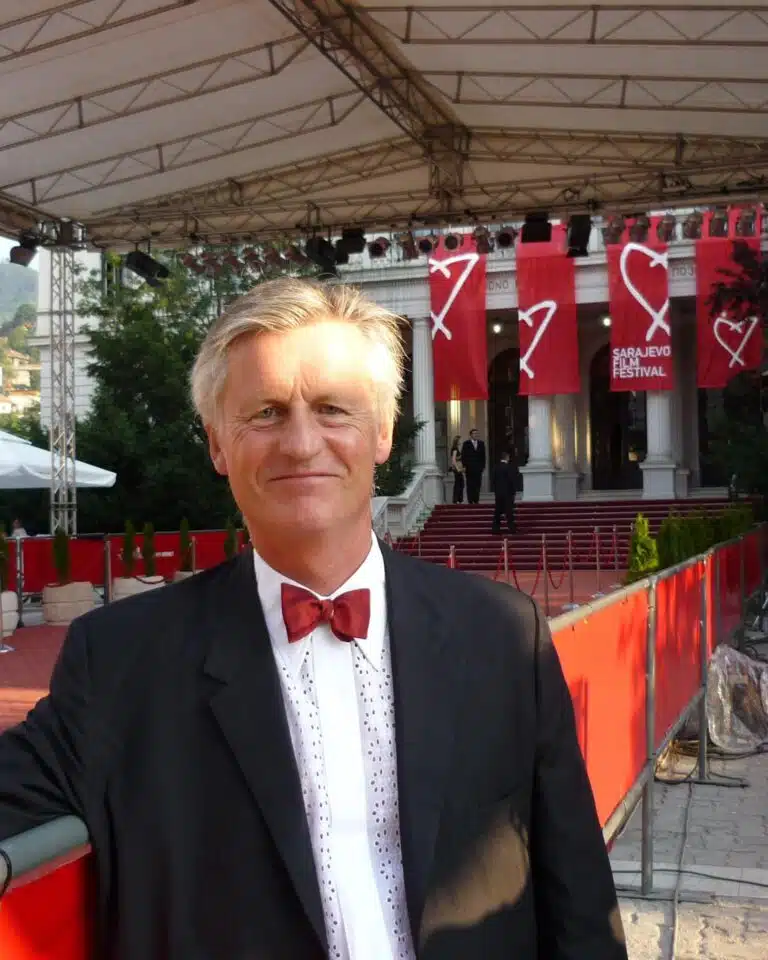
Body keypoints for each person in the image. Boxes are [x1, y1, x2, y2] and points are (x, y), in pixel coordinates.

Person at [0, 278, 627, 960]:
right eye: (265, 413)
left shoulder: (503, 636)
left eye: (332, 409)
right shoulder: (121, 660)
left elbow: (579, 906)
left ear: (383, 431)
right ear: (217, 444)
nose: (301, 443)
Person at [492, 450, 518, 534]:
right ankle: (511, 528)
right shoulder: (509, 468)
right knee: (509, 511)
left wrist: (496, 491)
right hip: (507, 493)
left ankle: (495, 528)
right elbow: (511, 480)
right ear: (507, 458)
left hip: (498, 493)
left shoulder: (496, 467)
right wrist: (513, 491)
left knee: (497, 511)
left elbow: (493, 480)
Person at [460, 428, 486, 504]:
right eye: (474, 434)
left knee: (478, 484)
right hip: (469, 467)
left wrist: (483, 466)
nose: (476, 435)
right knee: (470, 484)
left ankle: (476, 500)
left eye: (477, 434)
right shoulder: (466, 444)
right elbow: (463, 455)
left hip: (478, 468)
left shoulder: (481, 443)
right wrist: (464, 466)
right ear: (471, 435)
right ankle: (470, 500)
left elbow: (483, 456)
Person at [449, 434, 464, 504]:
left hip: (458, 468)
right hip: (457, 469)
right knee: (459, 484)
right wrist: (458, 469)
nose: (461, 441)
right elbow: (453, 460)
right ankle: (457, 500)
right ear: (457, 441)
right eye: (460, 440)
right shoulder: (455, 449)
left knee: (460, 483)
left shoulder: (456, 448)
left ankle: (458, 499)